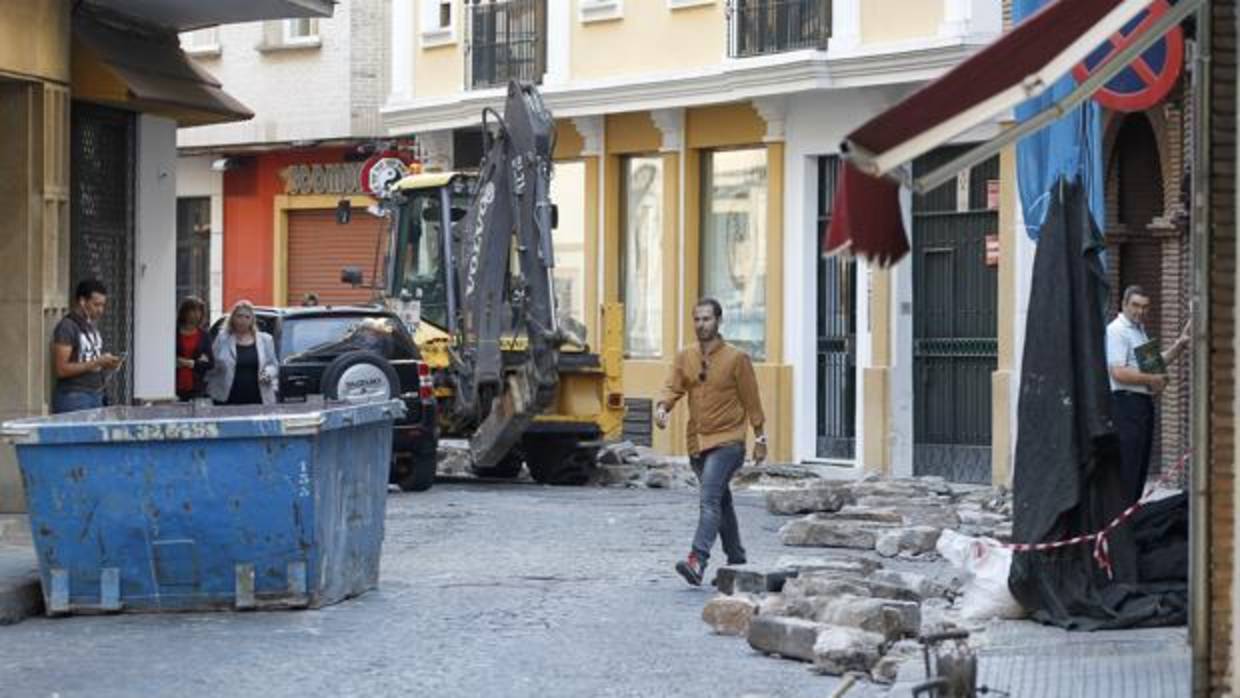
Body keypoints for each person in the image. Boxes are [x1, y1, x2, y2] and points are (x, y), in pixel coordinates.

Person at [656, 298, 767, 586]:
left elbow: (751, 399)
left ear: (719, 321)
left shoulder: (737, 358)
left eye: (707, 319)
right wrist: (663, 407)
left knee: (709, 500)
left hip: (729, 442)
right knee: (721, 501)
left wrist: (760, 436)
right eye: (697, 319)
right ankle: (737, 560)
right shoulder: (686, 357)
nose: (701, 324)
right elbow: (673, 386)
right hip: (697, 443)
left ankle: (697, 560)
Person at [1106, 285, 1191, 505]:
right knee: (1129, 467)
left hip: (1142, 405)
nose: (1139, 311)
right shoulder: (1117, 330)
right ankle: (1121, 527)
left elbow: (1152, 364)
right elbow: (1118, 372)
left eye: (1144, 307)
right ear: (1124, 305)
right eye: (1135, 305)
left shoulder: (1139, 330)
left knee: (1140, 466)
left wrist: (1179, 346)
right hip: (1126, 406)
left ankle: (1131, 521)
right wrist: (1153, 380)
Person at [50, 279, 123, 414]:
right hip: (74, 396)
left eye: (103, 305)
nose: (100, 310)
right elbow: (61, 369)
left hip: (95, 394)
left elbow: (88, 360)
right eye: (96, 305)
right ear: (82, 302)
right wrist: (96, 362)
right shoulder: (67, 327)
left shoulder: (91, 325)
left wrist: (107, 363)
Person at [206, 300, 279, 406]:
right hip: (226, 397)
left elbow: (273, 365)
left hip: (257, 396)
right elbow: (212, 365)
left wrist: (268, 373)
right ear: (233, 318)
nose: (243, 320)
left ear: (252, 320)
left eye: (247, 317)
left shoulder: (266, 339)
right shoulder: (222, 338)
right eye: (239, 316)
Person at [175, 296, 213, 401]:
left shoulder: (204, 336)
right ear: (184, 312)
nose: (196, 314)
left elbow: (210, 363)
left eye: (199, 311)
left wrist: (189, 363)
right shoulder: (174, 333)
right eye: (192, 310)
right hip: (173, 386)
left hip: (196, 388)